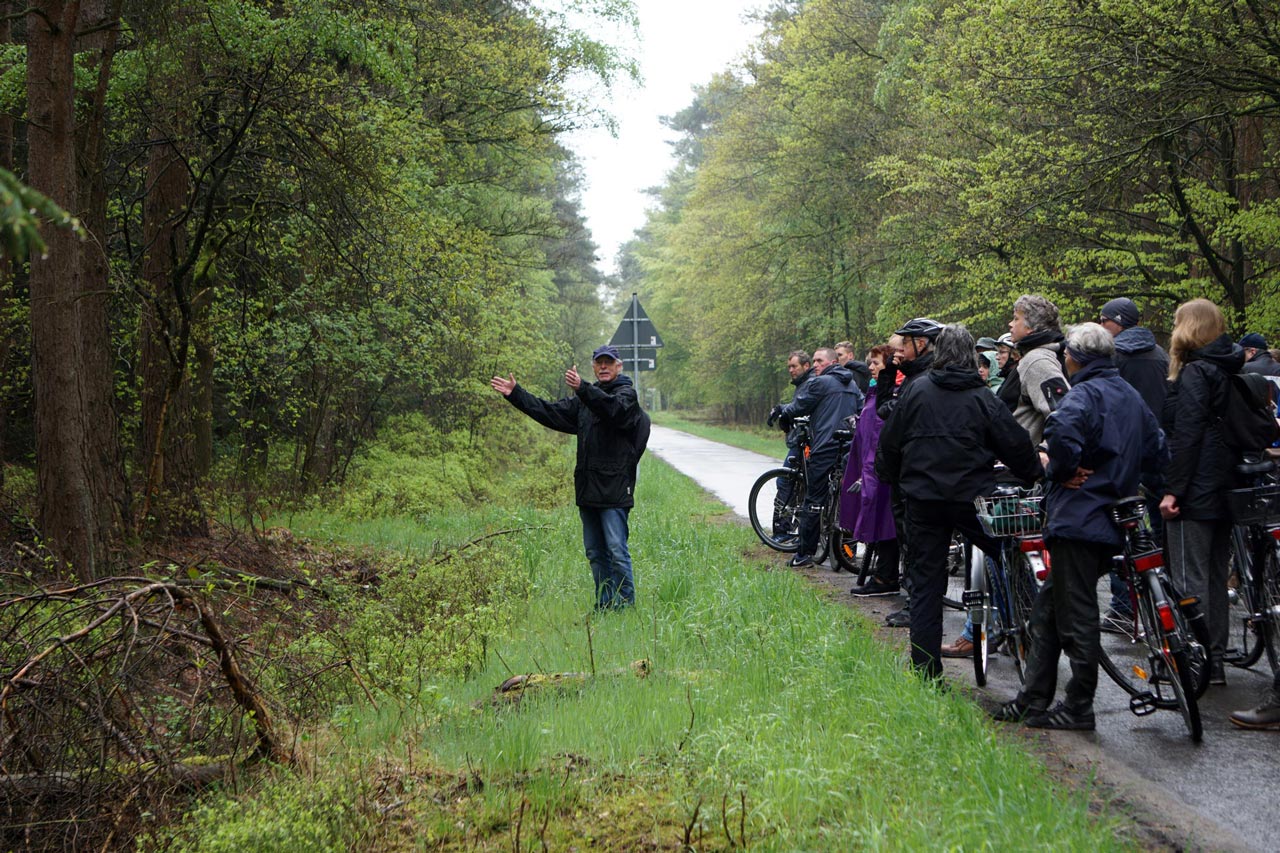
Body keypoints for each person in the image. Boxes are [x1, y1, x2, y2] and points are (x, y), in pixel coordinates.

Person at [991, 323, 1168, 729]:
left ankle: (1078, 706)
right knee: (1049, 611)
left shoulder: (1082, 397)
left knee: (1076, 614)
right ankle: (1032, 700)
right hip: (1115, 513)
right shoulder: (1129, 394)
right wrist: (1122, 472)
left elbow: (1062, 440)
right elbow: (1158, 449)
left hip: (1080, 518)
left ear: (1073, 358)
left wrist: (1060, 470)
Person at [876, 325, 1042, 680]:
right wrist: (1031, 473)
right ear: (970, 356)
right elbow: (1013, 444)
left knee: (926, 584)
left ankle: (926, 672)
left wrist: (894, 479)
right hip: (972, 498)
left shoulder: (917, 391)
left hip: (924, 501)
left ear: (937, 353)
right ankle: (1023, 623)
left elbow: (889, 444)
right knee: (1005, 553)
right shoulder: (982, 397)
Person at [490, 344, 648, 610]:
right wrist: (516, 394)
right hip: (588, 490)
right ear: (593, 366)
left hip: (614, 490)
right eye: (599, 362)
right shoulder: (583, 402)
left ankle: (625, 606)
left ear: (619, 366)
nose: (604, 367)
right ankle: (605, 605)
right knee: (596, 553)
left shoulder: (625, 395)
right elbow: (549, 412)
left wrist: (583, 389)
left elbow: (613, 411)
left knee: (617, 552)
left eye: (609, 362)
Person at [1160, 299, 1245, 685]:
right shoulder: (1230, 368)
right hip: (1227, 485)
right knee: (1214, 577)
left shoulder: (1196, 372)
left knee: (1187, 576)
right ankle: (1214, 662)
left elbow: (1188, 434)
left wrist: (1173, 490)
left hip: (1196, 487)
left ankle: (1193, 660)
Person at [1097, 296, 1169, 633]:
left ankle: (1124, 607)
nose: (1100, 326)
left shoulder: (1115, 358)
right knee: (1160, 531)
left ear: (1118, 322)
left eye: (1104, 320)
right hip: (1159, 448)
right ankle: (1165, 601)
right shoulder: (1162, 355)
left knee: (1123, 528)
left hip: (1125, 453)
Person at [877, 319, 945, 627]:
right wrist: (890, 371)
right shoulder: (914, 375)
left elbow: (893, 418)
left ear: (922, 344)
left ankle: (918, 607)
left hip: (916, 471)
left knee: (919, 545)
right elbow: (884, 410)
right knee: (912, 542)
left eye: (904, 344)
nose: (899, 350)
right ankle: (916, 603)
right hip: (907, 471)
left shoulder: (926, 378)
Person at [776, 347, 864, 567]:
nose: (815, 365)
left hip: (824, 446)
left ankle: (804, 554)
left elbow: (798, 406)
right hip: (849, 447)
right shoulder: (853, 385)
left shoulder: (820, 383)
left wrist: (780, 411)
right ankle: (848, 552)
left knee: (814, 500)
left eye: (819, 361)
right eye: (813, 361)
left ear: (831, 362)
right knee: (846, 499)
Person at [846, 344, 900, 597]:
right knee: (877, 520)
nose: (870, 367)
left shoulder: (888, 396)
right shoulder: (875, 392)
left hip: (880, 471)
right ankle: (883, 573)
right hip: (870, 468)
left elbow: (880, 437)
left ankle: (885, 577)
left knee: (885, 521)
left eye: (876, 363)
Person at [1008, 294, 1069, 445]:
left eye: (1016, 319)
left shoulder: (1038, 361)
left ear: (1030, 327)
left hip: (1026, 463)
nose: (1010, 324)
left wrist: (1045, 452)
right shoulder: (1037, 356)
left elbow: (1066, 415)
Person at [767, 351, 814, 543]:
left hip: (805, 442)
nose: (791, 370)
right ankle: (793, 530)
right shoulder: (804, 384)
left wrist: (783, 412)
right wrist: (782, 409)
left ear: (806, 365)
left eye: (794, 366)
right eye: (789, 367)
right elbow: (797, 405)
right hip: (800, 441)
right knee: (799, 485)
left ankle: (783, 531)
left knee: (785, 482)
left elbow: (802, 407)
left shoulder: (810, 383)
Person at [995, 332, 1021, 413]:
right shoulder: (1009, 377)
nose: (997, 357)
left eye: (1002, 352)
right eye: (997, 353)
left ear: (1015, 354)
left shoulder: (1020, 377)